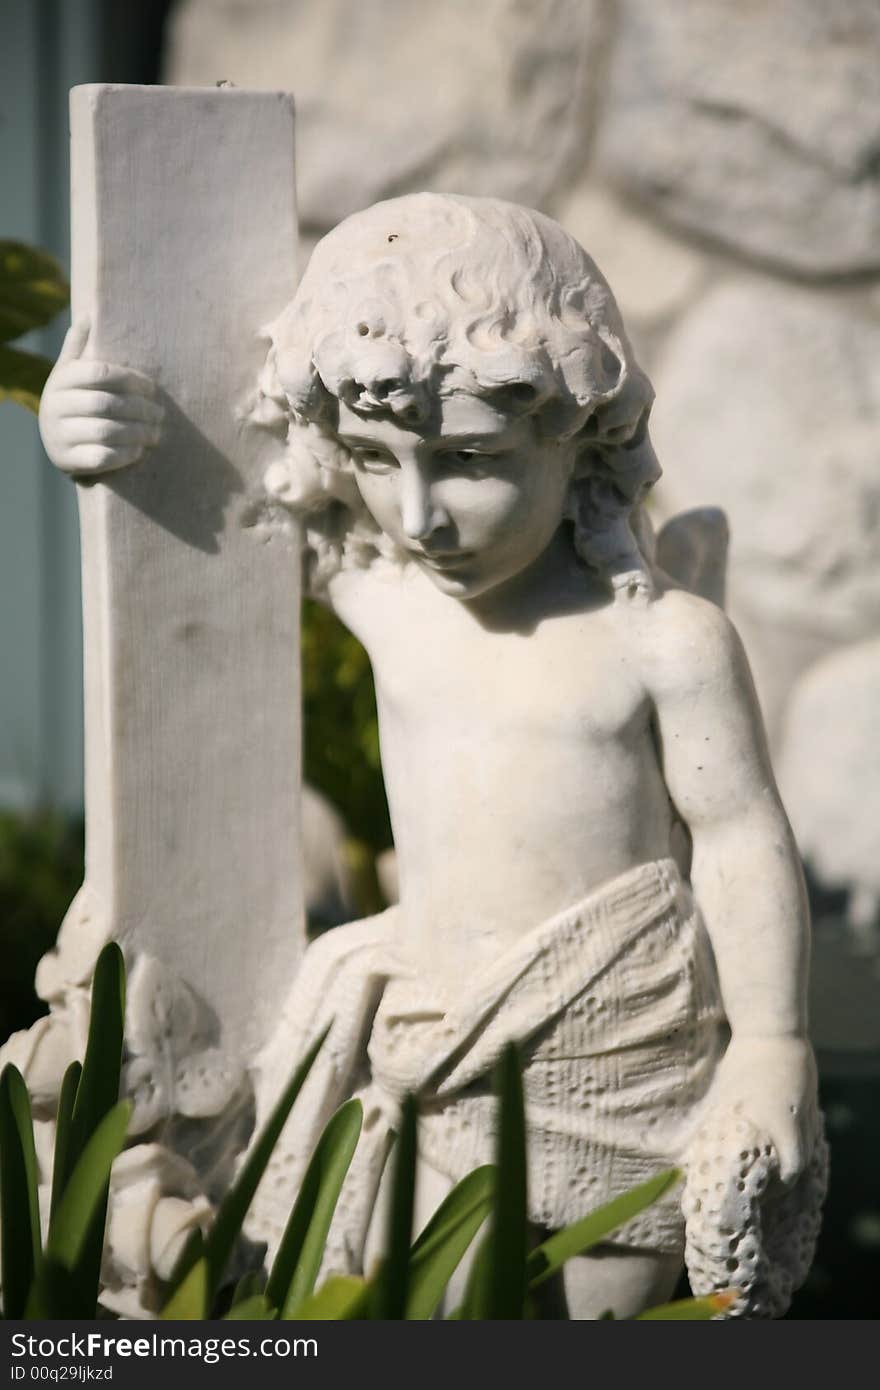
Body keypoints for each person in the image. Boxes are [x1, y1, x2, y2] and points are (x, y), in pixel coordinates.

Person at [39, 193, 822, 1317]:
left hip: (617, 1062)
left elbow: (743, 834)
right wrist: (91, 443)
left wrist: (775, 1041)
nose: (418, 515)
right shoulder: (381, 592)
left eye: (467, 457)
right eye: (370, 454)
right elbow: (203, 518)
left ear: (580, 428)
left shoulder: (663, 640)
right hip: (420, 1053)